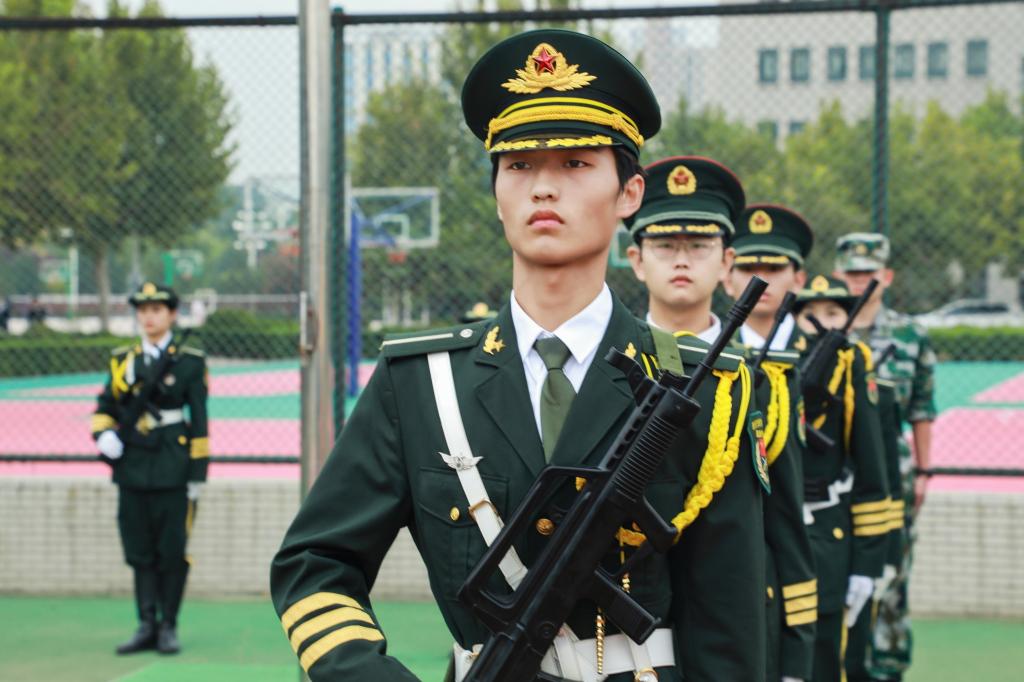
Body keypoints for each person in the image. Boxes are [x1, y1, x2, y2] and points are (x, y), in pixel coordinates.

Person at [271, 29, 766, 681]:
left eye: (575, 164)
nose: (543, 188)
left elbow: (731, 620)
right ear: (497, 190)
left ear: (630, 193)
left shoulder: (701, 386)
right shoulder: (421, 385)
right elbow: (315, 564)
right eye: (520, 165)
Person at [620, 155, 773, 680]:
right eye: (664, 245)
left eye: (699, 246)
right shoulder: (609, 366)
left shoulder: (757, 379)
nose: (681, 260)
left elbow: (772, 528)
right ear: (637, 259)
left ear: (728, 261)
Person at [833, 233, 936, 681]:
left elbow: (922, 410)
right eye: (853, 273)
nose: (861, 281)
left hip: (895, 475)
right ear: (839, 275)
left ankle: (888, 667)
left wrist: (925, 473)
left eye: (869, 273)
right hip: (837, 474)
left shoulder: (911, 335)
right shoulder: (826, 328)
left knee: (893, 574)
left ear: (887, 276)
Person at [724, 204, 818, 682]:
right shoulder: (711, 357)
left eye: (774, 268)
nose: (759, 279)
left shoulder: (823, 355)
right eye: (747, 267)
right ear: (727, 275)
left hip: (808, 539)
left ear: (798, 277)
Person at [91, 282, 209, 655]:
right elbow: (105, 406)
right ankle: (146, 624)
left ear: (171, 314)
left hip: (173, 466)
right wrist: (103, 436)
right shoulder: (122, 360)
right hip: (133, 466)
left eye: (156, 310)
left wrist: (197, 475)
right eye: (142, 311)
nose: (148, 317)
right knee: (139, 549)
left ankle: (168, 625)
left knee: (171, 550)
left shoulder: (189, 361)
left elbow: (200, 421)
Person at [792, 275, 890, 682]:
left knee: (827, 658)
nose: (822, 322)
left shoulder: (852, 363)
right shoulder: (774, 359)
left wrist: (868, 562)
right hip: (777, 533)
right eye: (810, 314)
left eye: (833, 312)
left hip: (828, 534)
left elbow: (872, 467)